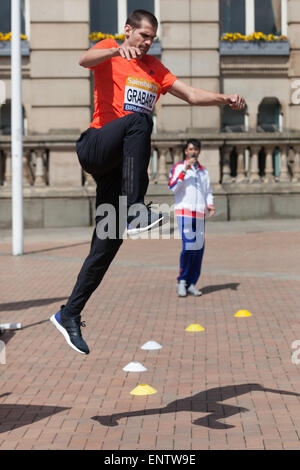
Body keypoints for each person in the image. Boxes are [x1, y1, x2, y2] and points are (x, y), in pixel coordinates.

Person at [50, 9, 246, 355]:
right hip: (95, 145)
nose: (146, 43)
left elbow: (190, 94)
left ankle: (69, 313)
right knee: (140, 122)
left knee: (107, 244)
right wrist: (113, 51)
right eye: (142, 36)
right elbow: (83, 60)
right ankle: (136, 209)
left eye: (152, 39)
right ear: (128, 30)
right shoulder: (111, 48)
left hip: (115, 171)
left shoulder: (155, 69)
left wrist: (224, 99)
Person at [169, 139, 215, 297]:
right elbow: (173, 187)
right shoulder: (178, 167)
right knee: (189, 247)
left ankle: (192, 283)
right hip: (184, 212)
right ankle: (182, 281)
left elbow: (208, 191)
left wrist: (210, 204)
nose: (193, 152)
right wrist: (184, 171)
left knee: (199, 249)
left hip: (199, 214)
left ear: (199, 151)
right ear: (185, 152)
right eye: (190, 149)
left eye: (196, 149)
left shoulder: (204, 171)